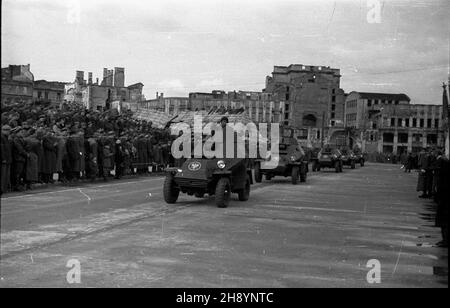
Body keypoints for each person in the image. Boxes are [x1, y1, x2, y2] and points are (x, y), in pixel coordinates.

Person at [1, 125, 12, 195]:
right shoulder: (2, 137)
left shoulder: (6, 137)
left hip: (7, 159)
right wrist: (3, 158)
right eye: (8, 131)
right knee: (3, 175)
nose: (9, 132)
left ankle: (4, 188)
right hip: (4, 160)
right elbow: (2, 149)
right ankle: (2, 189)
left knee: (6, 175)